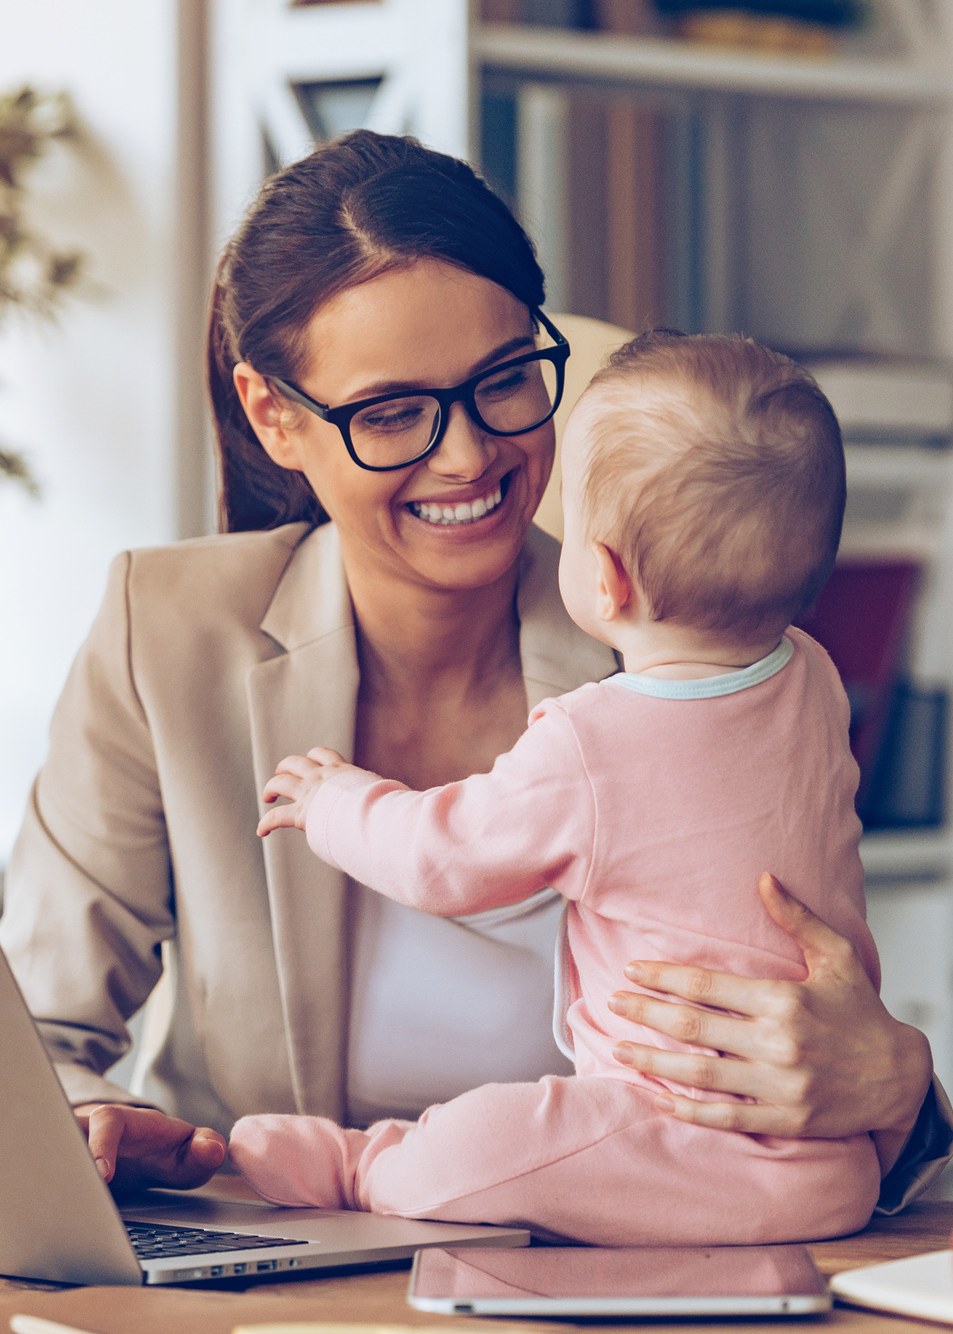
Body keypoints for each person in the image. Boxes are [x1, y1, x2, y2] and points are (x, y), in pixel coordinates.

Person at [0, 129, 953, 1207]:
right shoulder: (163, 632)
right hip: (273, 1267)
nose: (467, 455)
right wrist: (93, 1123)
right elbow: (30, 1032)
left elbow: (808, 987)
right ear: (275, 416)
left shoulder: (682, 636)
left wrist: (893, 1080)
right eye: (392, 412)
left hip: (600, 1272)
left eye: (503, 381)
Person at [229, 332, 881, 1244]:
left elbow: (442, 859)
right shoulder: (813, 681)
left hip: (670, 1129)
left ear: (604, 577)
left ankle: (363, 1164)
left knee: (493, 1136)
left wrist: (331, 800)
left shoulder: (593, 740)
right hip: (832, 1164)